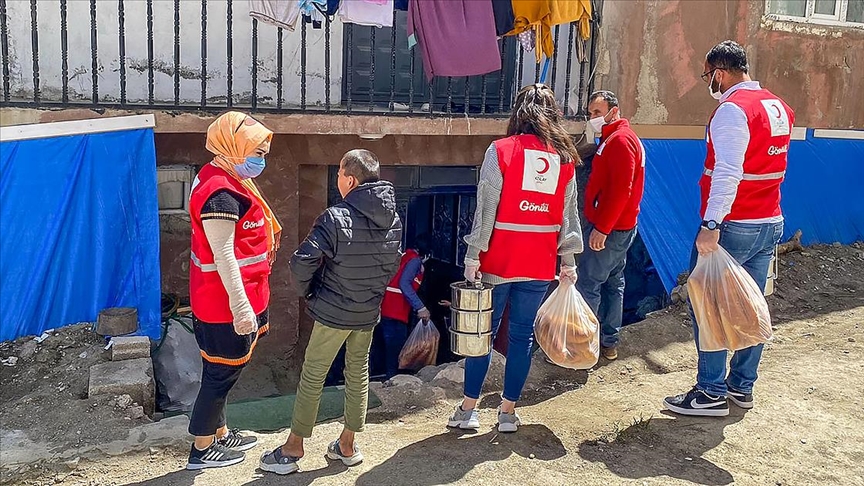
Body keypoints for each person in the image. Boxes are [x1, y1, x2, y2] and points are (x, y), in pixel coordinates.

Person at [664, 40, 793, 417]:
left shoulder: (732, 111)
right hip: (769, 221)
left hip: (734, 225)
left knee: (709, 305)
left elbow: (728, 172)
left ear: (719, 72)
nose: (710, 84)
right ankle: (741, 386)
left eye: (708, 76)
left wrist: (711, 224)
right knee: (752, 305)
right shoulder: (778, 107)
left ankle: (710, 392)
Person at [450, 84, 583, 433]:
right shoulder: (564, 158)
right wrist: (568, 261)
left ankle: (468, 411)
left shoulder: (501, 151)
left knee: (482, 335)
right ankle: (507, 413)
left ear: (518, 113)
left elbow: (486, 210)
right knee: (521, 338)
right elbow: (568, 215)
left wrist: (472, 254)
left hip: (498, 259)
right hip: (540, 262)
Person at [260, 149, 402, 475]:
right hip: (367, 312)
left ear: (349, 179)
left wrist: (310, 292)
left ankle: (293, 448)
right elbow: (391, 262)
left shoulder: (335, 217)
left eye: (338, 174)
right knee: (358, 374)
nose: (337, 179)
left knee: (313, 376)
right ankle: (348, 445)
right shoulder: (392, 219)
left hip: (334, 313)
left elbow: (300, 262)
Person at [185, 112, 282, 470]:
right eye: (256, 151)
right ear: (233, 146)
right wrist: (241, 308)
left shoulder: (225, 177)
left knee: (224, 370)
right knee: (220, 375)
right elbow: (223, 253)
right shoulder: (220, 193)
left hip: (236, 299)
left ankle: (220, 432)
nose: (261, 159)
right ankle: (201, 446)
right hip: (224, 305)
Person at [577, 90, 646, 361]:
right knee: (613, 282)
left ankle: (585, 344)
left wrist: (602, 228)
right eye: (590, 113)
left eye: (597, 112)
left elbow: (620, 190)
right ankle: (608, 342)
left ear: (613, 111)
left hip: (611, 228)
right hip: (620, 226)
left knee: (589, 283)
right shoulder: (618, 139)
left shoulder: (619, 141)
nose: (593, 118)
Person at [378, 234, 431, 379]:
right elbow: (404, 284)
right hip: (396, 311)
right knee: (395, 351)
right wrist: (421, 307)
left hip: (387, 308)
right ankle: (391, 381)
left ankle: (387, 378)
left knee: (388, 348)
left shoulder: (405, 256)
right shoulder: (414, 261)